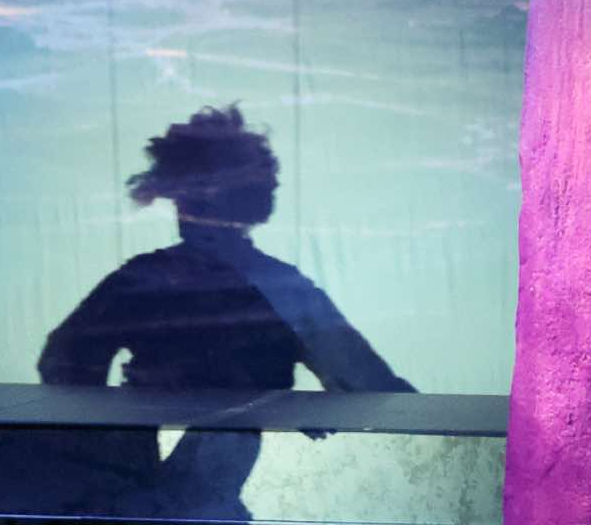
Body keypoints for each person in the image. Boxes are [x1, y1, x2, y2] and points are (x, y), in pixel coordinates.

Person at [38, 104, 411, 393]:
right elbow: (64, 359)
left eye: (205, 199)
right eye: (188, 197)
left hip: (234, 458)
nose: (193, 212)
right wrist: (114, 440)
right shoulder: (143, 279)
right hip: (152, 461)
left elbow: (367, 382)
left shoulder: (282, 289)